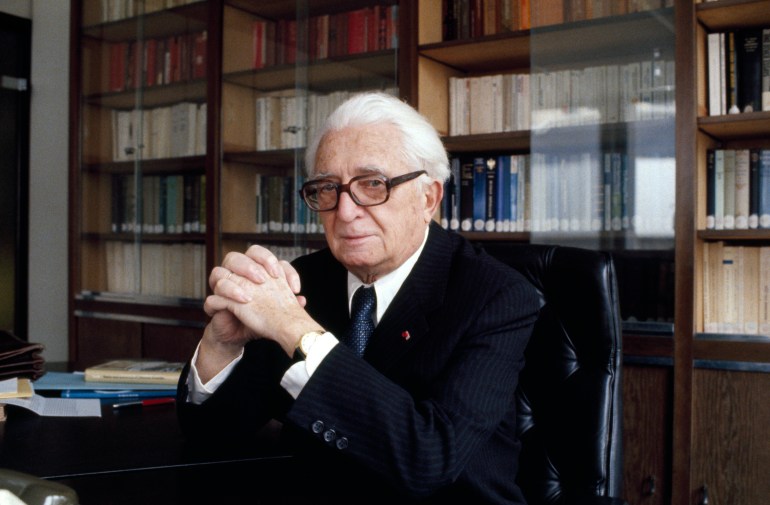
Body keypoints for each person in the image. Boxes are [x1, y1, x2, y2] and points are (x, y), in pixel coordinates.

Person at [177, 92, 540, 504]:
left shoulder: (496, 295)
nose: (345, 212)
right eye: (328, 188)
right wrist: (220, 346)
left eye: (372, 184)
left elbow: (428, 460)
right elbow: (211, 433)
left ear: (428, 198)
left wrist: (298, 330)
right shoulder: (305, 281)